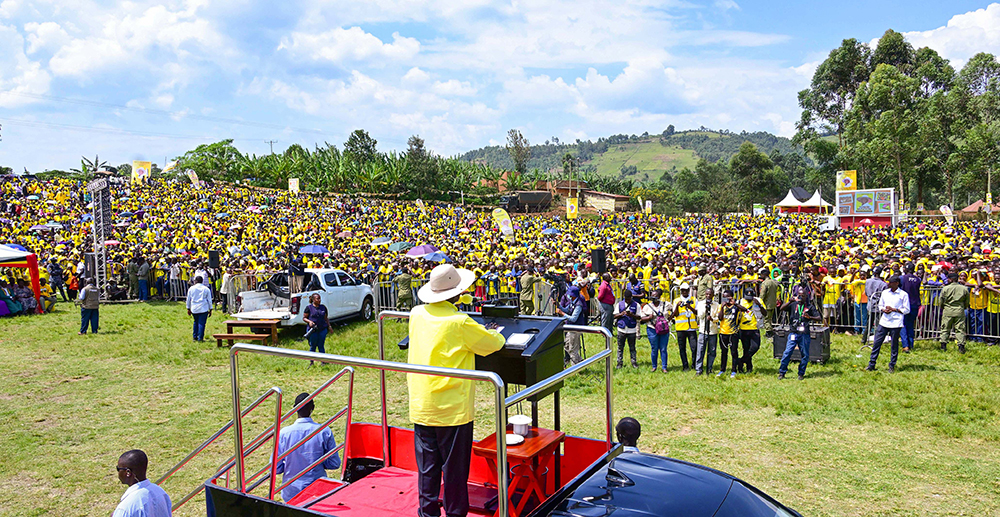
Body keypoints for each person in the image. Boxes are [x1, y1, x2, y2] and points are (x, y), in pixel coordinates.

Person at [407, 264, 505, 517]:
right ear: (456, 294)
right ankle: (454, 513)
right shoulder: (460, 321)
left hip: (422, 403)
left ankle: (427, 512)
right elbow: (492, 343)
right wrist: (494, 332)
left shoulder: (417, 313)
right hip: (452, 409)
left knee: (428, 468)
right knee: (454, 470)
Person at [275, 392, 342, 502]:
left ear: (295, 409)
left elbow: (276, 467)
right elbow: (334, 463)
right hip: (317, 489)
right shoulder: (324, 431)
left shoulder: (284, 434)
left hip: (291, 491)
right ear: (313, 408)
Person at [866, 276, 910, 373]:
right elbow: (880, 305)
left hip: (896, 322)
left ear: (896, 283)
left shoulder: (903, 294)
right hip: (884, 321)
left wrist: (895, 309)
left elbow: (907, 310)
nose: (888, 284)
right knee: (877, 343)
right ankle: (871, 364)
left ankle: (892, 365)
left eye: (890, 282)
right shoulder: (885, 293)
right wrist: (884, 310)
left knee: (894, 345)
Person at [776, 289, 821, 380]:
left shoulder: (810, 307)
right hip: (793, 332)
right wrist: (789, 301)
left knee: (804, 354)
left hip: (804, 334)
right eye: (799, 295)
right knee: (787, 352)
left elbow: (819, 318)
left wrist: (810, 317)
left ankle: (801, 373)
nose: (800, 297)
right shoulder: (793, 305)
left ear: (806, 297)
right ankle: (782, 372)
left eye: (803, 296)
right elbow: (781, 309)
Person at [113, 449, 172, 517]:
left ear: (128, 472)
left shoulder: (126, 507)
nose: (118, 472)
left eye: (118, 469)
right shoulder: (160, 492)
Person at [640, 288, 671, 372]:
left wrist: (669, 319)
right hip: (652, 329)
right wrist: (649, 317)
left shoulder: (665, 304)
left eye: (656, 296)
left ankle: (664, 367)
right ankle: (654, 366)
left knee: (663, 348)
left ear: (659, 296)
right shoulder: (647, 306)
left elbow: (674, 311)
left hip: (663, 329)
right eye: (652, 296)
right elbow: (641, 318)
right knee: (654, 348)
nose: (654, 298)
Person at [557, 285, 588, 365]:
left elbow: (573, 318)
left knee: (572, 349)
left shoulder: (578, 305)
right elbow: (567, 310)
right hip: (571, 329)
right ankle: (581, 362)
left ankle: (574, 369)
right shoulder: (572, 302)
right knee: (567, 346)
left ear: (573, 295)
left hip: (575, 329)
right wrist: (558, 305)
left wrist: (562, 313)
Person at [938, 272, 969, 353]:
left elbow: (941, 301)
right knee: (960, 329)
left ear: (950, 279)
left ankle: (943, 345)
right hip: (959, 310)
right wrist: (963, 307)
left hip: (948, 310)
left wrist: (943, 307)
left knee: (945, 328)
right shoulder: (964, 288)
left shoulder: (945, 288)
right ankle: (961, 346)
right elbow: (967, 301)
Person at [735, 289, 764, 374]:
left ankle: (740, 361)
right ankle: (748, 368)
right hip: (743, 329)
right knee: (746, 349)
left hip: (754, 329)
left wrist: (760, 305)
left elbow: (765, 313)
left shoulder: (758, 301)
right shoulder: (740, 301)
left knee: (755, 347)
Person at [671, 282, 697, 371]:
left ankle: (694, 364)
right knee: (682, 348)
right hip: (680, 328)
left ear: (688, 290)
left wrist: (689, 307)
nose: (684, 292)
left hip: (691, 327)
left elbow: (696, 312)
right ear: (680, 291)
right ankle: (685, 366)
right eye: (682, 290)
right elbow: (675, 314)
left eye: (686, 290)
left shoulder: (693, 299)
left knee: (694, 348)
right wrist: (677, 306)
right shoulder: (676, 300)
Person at [695, 287, 720, 376]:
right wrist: (705, 309)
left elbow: (718, 318)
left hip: (713, 331)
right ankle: (699, 369)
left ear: (713, 295)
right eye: (707, 294)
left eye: (710, 294)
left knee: (712, 351)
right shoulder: (701, 303)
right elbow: (700, 316)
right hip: (703, 330)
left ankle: (709, 368)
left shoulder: (716, 305)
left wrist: (712, 319)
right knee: (700, 350)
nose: (708, 296)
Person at [716, 290, 740, 378]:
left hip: (733, 332)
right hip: (723, 332)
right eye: (724, 297)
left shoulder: (736, 306)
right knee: (723, 352)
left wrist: (735, 303)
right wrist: (722, 307)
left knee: (734, 352)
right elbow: (720, 318)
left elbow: (744, 310)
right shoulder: (721, 306)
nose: (726, 299)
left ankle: (734, 370)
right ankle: (722, 369)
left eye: (728, 297)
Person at [613, 289, 639, 369]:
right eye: (626, 299)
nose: (627, 300)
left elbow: (639, 317)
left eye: (629, 299)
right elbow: (614, 316)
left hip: (632, 329)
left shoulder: (636, 305)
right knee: (620, 347)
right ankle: (619, 362)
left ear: (631, 297)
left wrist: (632, 315)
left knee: (632, 347)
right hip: (622, 328)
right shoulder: (619, 304)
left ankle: (633, 361)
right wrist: (621, 314)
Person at [899, 264, 922, 352]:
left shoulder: (902, 278)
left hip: (904, 304)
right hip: (915, 304)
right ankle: (911, 344)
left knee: (903, 324)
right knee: (910, 324)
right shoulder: (918, 279)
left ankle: (905, 345)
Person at [303, 293, 330, 365]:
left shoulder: (323, 307)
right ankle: (311, 362)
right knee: (313, 345)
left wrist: (329, 326)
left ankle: (323, 361)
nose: (319, 300)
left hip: (322, 329)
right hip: (313, 331)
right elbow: (304, 318)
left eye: (319, 298)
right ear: (313, 300)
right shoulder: (309, 308)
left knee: (321, 345)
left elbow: (326, 318)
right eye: (317, 299)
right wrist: (309, 321)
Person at [186, 276, 213, 342]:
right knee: (201, 323)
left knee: (196, 322)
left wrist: (188, 308)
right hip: (203, 307)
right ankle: (200, 338)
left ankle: (194, 337)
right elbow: (209, 300)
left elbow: (188, 299)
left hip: (194, 308)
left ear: (195, 281)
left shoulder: (191, 288)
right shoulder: (206, 289)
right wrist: (210, 309)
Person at [758, 268, 778, 337]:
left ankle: (769, 332)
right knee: (769, 318)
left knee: (766, 319)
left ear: (764, 275)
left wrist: (759, 302)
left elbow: (762, 294)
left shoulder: (765, 283)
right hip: (772, 303)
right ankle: (770, 330)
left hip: (766, 304)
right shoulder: (773, 282)